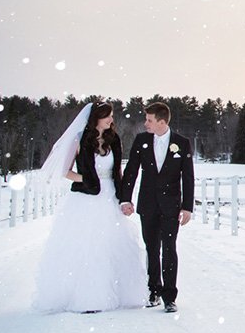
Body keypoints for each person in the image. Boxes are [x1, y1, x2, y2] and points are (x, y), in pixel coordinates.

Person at [32, 102, 148, 313]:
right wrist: (85, 179)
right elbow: (64, 170)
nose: (112, 120)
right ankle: (88, 297)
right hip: (87, 199)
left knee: (112, 244)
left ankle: (119, 293)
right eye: (108, 116)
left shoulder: (114, 140)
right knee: (88, 245)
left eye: (112, 116)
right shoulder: (79, 140)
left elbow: (118, 173)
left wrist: (124, 199)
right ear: (96, 118)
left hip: (110, 196)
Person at [119, 101, 195, 313]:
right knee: (152, 248)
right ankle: (154, 291)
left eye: (150, 120)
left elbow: (188, 177)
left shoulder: (182, 143)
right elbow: (132, 171)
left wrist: (187, 206)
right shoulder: (141, 140)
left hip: (171, 206)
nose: (146, 124)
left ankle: (169, 297)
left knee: (170, 249)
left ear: (162, 122)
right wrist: (126, 199)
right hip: (148, 204)